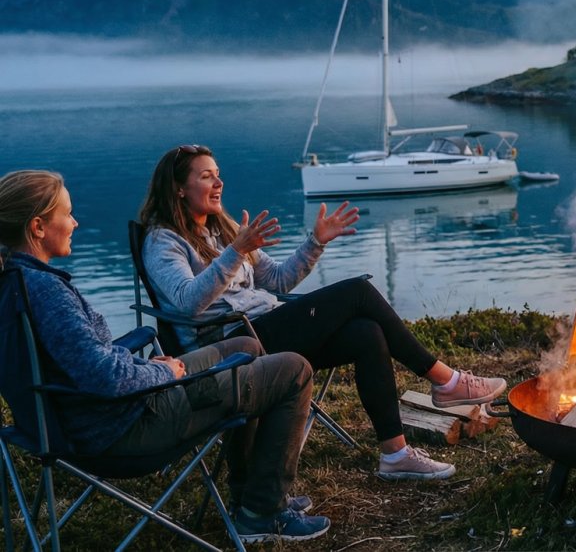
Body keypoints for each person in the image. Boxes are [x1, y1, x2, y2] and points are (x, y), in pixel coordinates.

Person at [138, 144, 507, 482]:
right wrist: (236, 252)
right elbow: (187, 302)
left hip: (264, 330)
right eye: (206, 176)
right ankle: (446, 382)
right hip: (227, 346)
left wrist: (316, 243)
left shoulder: (223, 229)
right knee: (358, 292)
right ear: (178, 189)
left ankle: (395, 455)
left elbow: (279, 280)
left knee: (366, 333)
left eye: (217, 174)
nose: (219, 182)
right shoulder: (163, 241)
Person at [0, 170, 331, 544]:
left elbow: (88, 363)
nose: (75, 222)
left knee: (246, 347)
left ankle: (252, 494)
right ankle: (261, 514)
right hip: (122, 430)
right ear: (39, 227)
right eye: (68, 213)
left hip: (87, 417)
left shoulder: (16, 283)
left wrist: (147, 366)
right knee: (294, 370)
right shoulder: (47, 293)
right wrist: (165, 374)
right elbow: (104, 376)